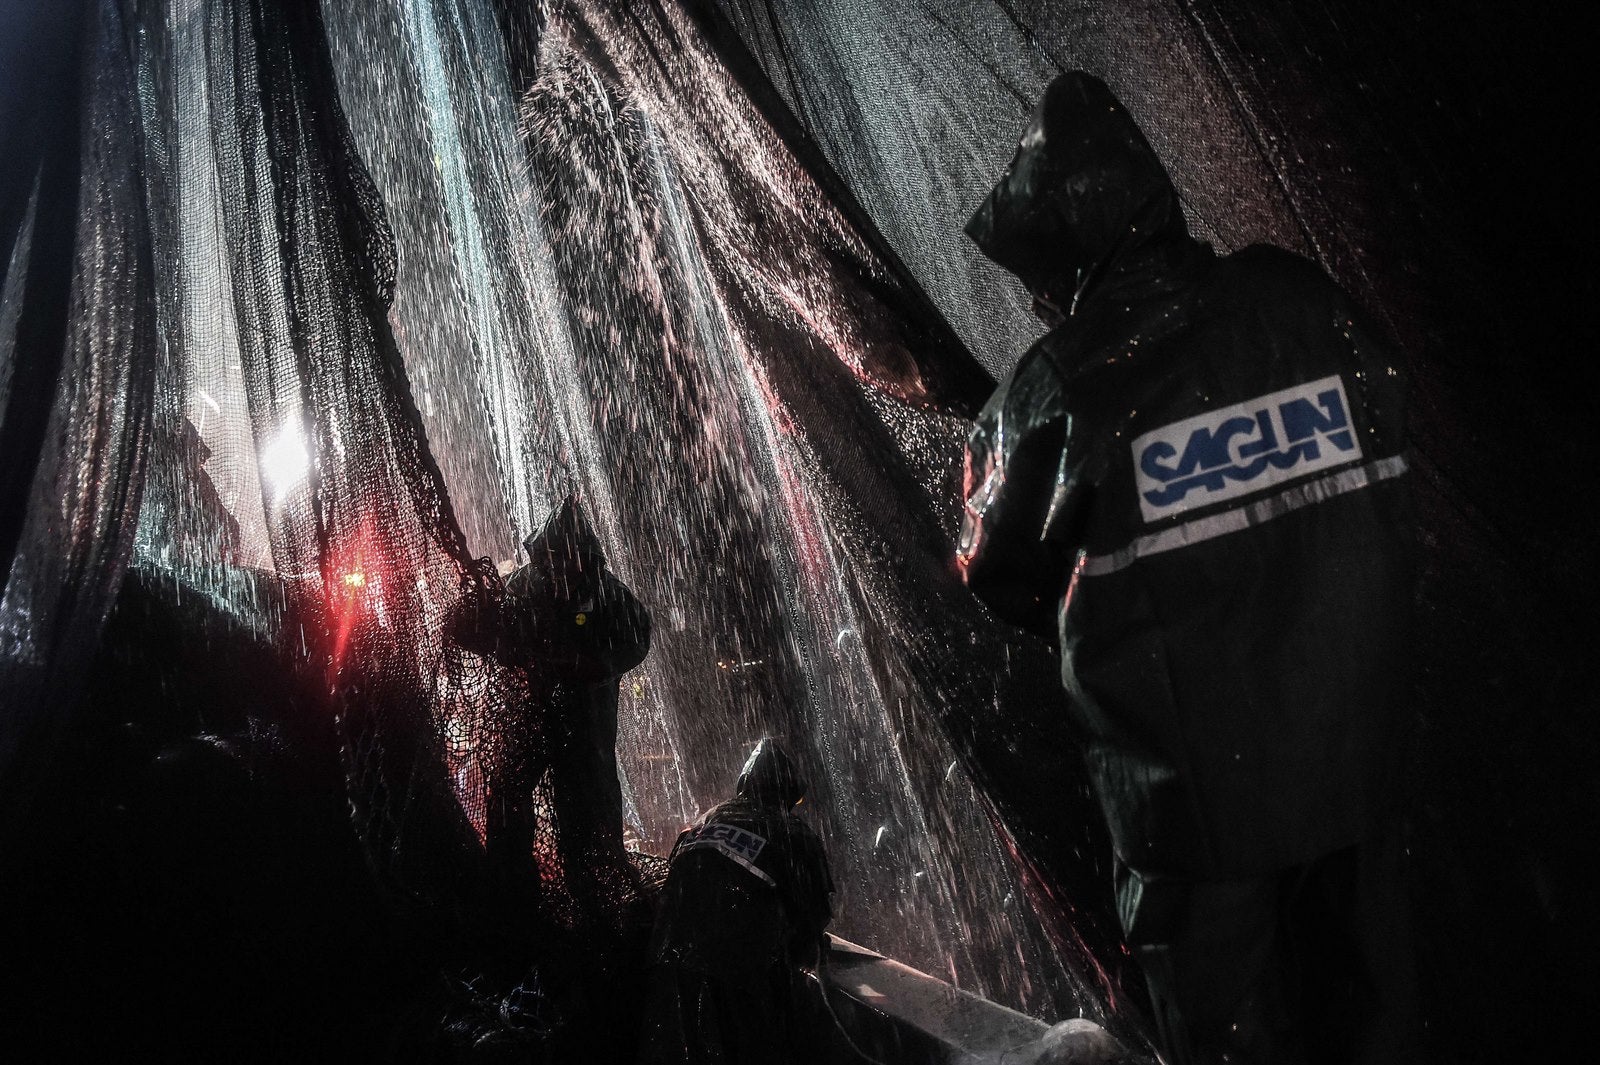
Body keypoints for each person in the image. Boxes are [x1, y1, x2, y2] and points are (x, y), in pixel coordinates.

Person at [958, 72, 1419, 1065]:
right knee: (1372, 1019)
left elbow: (994, 572)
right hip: (1355, 771)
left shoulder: (1057, 388)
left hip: (1192, 818)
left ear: (1064, 255)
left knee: (1224, 1043)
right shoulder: (1301, 302)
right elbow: (1392, 457)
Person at [449, 494, 651, 925]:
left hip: (585, 723)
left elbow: (636, 643)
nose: (553, 570)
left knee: (588, 807)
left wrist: (585, 665)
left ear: (583, 558)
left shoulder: (610, 596)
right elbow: (490, 627)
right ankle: (511, 886)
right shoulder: (526, 582)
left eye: (561, 560)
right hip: (533, 713)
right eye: (547, 560)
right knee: (507, 789)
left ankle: (598, 893)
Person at [638, 738, 834, 1065]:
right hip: (736, 974)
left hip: (667, 961)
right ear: (789, 792)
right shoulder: (793, 833)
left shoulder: (706, 822)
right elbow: (814, 914)